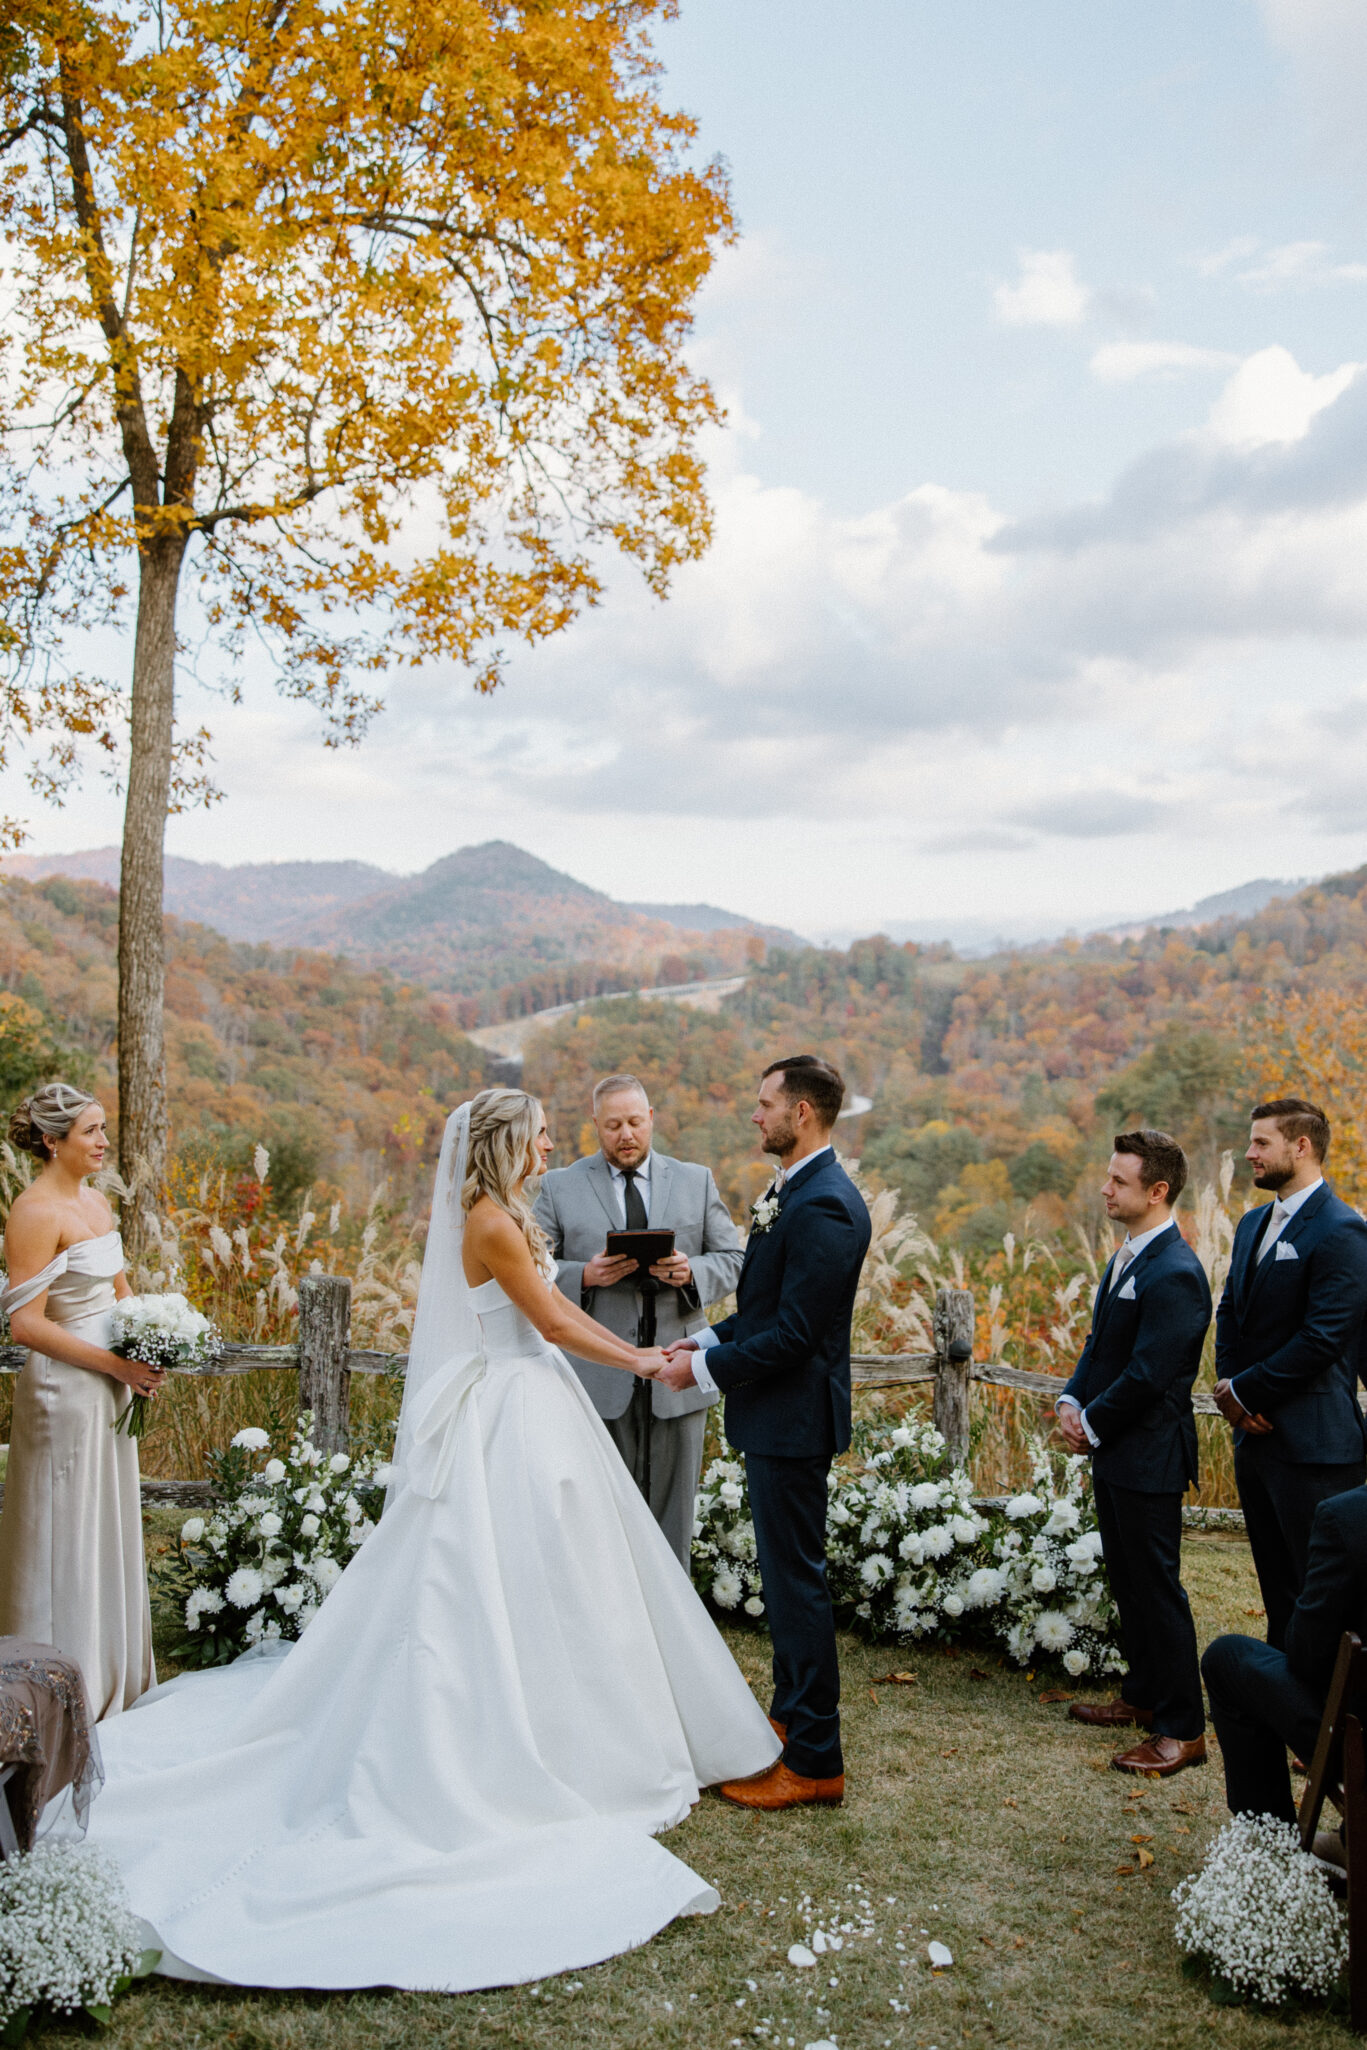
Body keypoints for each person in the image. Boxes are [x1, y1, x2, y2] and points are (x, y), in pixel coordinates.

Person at [79, 1087, 780, 1993]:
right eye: (537, 1140)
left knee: (570, 1573)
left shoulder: (505, 1210)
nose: (548, 1149)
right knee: (497, 1576)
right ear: (501, 1147)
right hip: (513, 1406)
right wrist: (645, 1359)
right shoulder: (489, 1222)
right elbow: (556, 1322)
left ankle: (587, 1718)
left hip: (538, 1403)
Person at [658, 1054, 871, 1812]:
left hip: (795, 1419)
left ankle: (816, 1760)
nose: (755, 1116)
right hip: (772, 1417)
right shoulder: (791, 1193)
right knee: (783, 1585)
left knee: (797, 1586)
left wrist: (703, 1376)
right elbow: (765, 1309)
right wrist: (707, 1342)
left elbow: (796, 1337)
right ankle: (787, 1720)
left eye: (764, 1104)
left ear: (801, 1113)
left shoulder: (827, 1206)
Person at [534, 1073, 742, 1568]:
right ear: (595, 1127)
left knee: (674, 1515)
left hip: (680, 1368)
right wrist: (583, 1275)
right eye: (612, 1125)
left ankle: (672, 1627)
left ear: (650, 1120)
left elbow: (735, 1258)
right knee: (599, 1514)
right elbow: (530, 1267)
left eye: (633, 1122)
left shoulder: (697, 1179)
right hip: (596, 1376)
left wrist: (693, 1272)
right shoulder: (558, 1186)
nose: (625, 1135)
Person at [0, 1084, 162, 1720]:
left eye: (102, 1130)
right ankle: (54, 1690)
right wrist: (112, 1363)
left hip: (111, 1386)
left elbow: (121, 1292)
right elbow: (25, 1326)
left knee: (104, 1521)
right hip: (63, 1391)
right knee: (63, 1532)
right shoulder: (35, 1211)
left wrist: (152, 1346)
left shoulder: (95, 1201)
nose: (102, 1142)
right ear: (52, 1141)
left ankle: (111, 1672)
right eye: (90, 1132)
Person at [1056, 1130, 1212, 1778]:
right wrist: (1071, 1396)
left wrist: (1090, 1424)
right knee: (1127, 1581)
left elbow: (1149, 1374)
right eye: (1108, 1176)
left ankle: (1183, 1729)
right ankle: (1142, 1696)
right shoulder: (1125, 1256)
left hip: (1148, 1456)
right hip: (1115, 1450)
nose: (1105, 1188)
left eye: (1118, 1181)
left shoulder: (1175, 1271)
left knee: (1156, 1589)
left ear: (1156, 1191)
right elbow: (1101, 1344)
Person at [1213, 1098, 1367, 1650]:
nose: (1250, 1153)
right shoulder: (1253, 1223)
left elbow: (1323, 1338)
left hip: (1317, 1450)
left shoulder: (1343, 1230)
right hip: (1255, 1442)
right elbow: (1229, 1311)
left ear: (1301, 1147)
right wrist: (1231, 1390)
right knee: (1278, 1592)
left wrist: (1247, 1391)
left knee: (1324, 1599)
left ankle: (1335, 1723)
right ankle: (1279, 1703)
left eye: (1261, 1143)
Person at [1203, 1486, 1367, 1837]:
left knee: (1227, 1657)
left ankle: (1274, 1847)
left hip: (1356, 1747)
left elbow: (1307, 1656)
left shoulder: (1348, 1517)